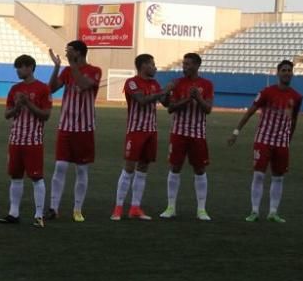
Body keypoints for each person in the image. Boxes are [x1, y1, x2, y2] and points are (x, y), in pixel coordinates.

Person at [228, 60, 302, 223]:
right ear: (278, 73)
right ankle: (254, 211)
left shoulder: (296, 97)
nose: (287, 73)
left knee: (278, 177)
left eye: (289, 70)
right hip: (264, 139)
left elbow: (294, 120)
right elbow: (250, 112)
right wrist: (236, 131)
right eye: (284, 70)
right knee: (259, 175)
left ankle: (273, 212)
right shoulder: (267, 92)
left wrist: (289, 138)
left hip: (282, 142)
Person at [111, 54, 174, 221]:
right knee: (129, 168)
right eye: (152, 64)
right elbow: (142, 100)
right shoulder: (132, 82)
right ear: (143, 65)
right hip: (136, 131)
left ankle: (135, 207)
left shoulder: (154, 83)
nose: (155, 67)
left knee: (143, 169)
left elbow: (166, 103)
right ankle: (118, 208)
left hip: (151, 131)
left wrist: (167, 93)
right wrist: (163, 91)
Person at [46, 40, 101, 222]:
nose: (67, 53)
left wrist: (71, 65)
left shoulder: (94, 70)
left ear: (78, 52)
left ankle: (77, 209)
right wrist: (57, 67)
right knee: (60, 166)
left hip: (85, 128)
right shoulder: (67, 71)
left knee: (81, 169)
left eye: (69, 51)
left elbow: (85, 85)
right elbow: (51, 89)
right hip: (66, 126)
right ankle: (54, 207)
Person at [0, 54, 52, 227]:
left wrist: (28, 103)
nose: (18, 71)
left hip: (33, 140)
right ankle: (14, 213)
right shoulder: (14, 89)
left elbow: (46, 115)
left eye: (20, 67)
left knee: (36, 177)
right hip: (16, 139)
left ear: (29, 67)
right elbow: (7, 114)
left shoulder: (43, 89)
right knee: (15, 176)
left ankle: (38, 215)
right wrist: (17, 107)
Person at [160, 52, 214, 221]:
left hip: (198, 134)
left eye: (188, 64)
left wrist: (197, 97)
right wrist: (186, 100)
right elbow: (170, 108)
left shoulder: (207, 84)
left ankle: (201, 209)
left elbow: (208, 109)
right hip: (178, 133)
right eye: (184, 64)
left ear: (197, 65)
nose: (185, 67)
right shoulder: (177, 83)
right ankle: (170, 207)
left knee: (200, 169)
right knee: (175, 167)